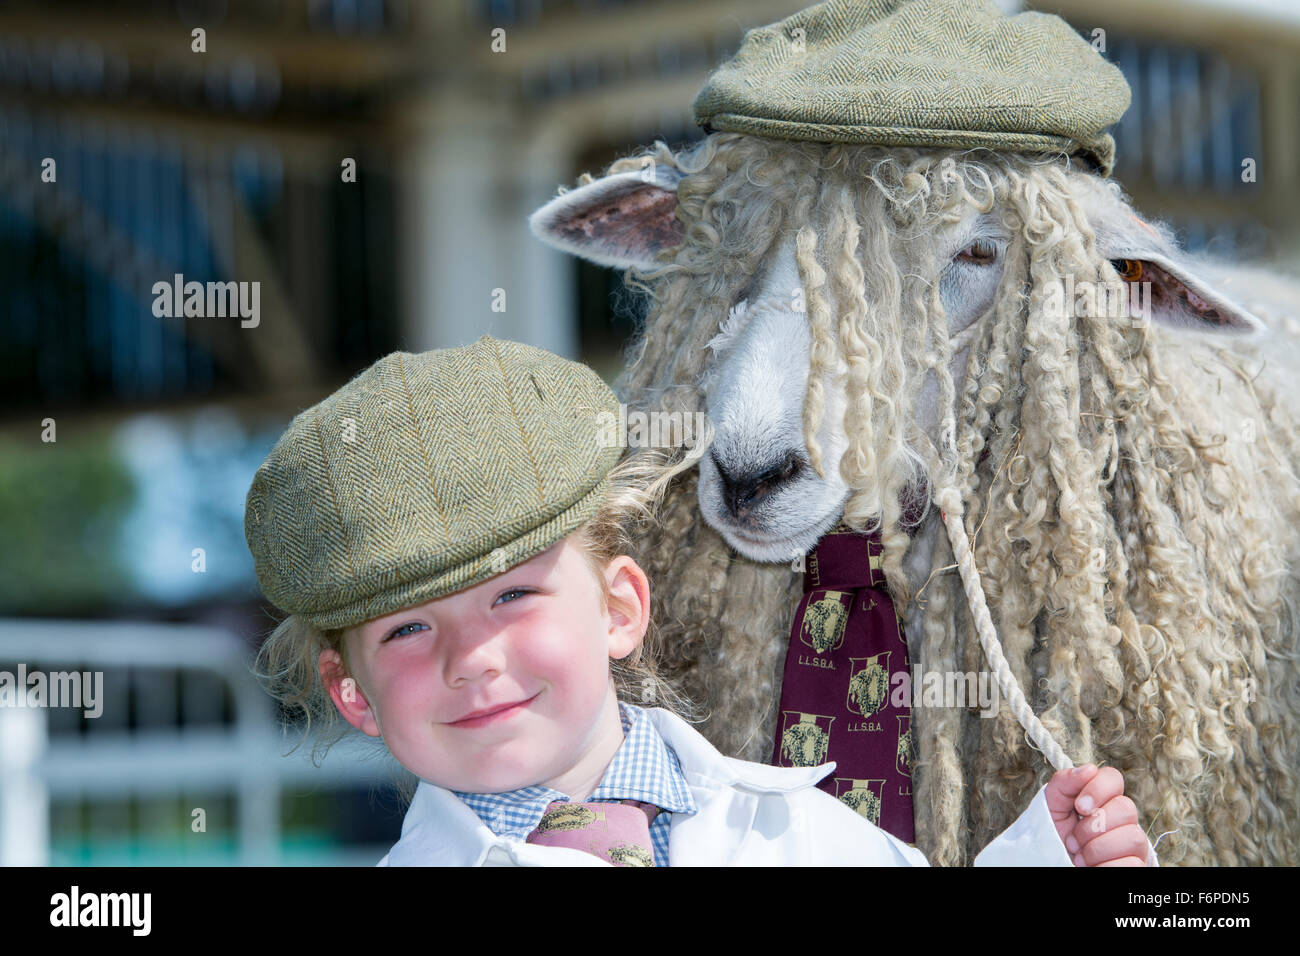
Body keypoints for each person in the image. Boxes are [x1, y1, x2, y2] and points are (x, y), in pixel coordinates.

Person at [244, 335, 1157, 866]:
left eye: (514, 595)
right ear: (352, 691)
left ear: (618, 609)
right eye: (406, 626)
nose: (471, 658)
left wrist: (1050, 860)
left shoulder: (800, 827)